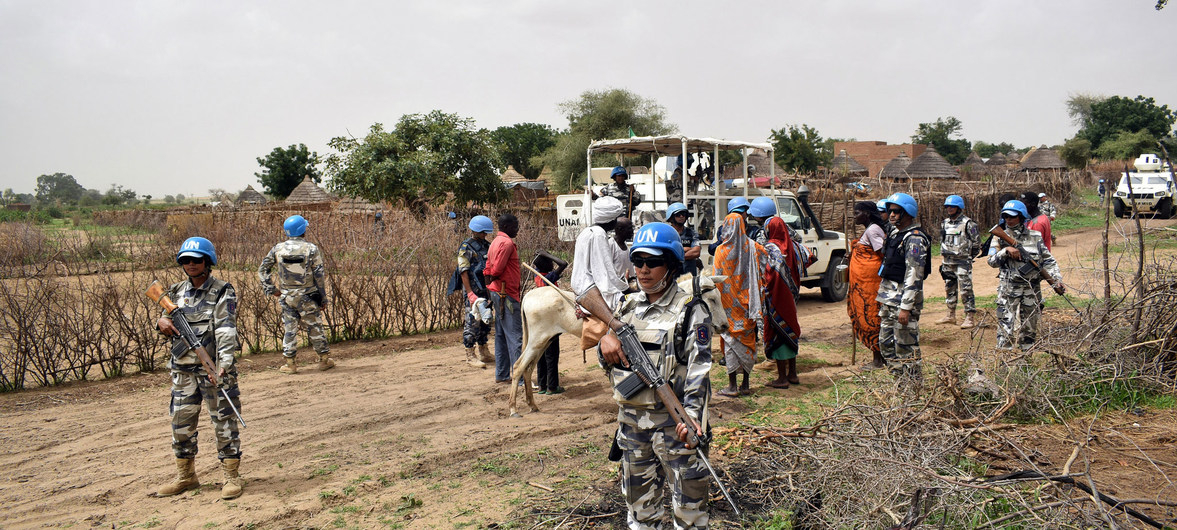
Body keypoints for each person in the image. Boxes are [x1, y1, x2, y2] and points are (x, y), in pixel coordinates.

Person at [598, 222, 714, 529]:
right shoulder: (626, 307)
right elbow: (610, 361)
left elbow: (699, 373)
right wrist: (604, 344)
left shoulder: (691, 310)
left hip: (675, 428)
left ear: (672, 265)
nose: (643, 269)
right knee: (640, 514)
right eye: (638, 261)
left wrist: (691, 421)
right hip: (633, 429)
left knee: (690, 516)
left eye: (653, 262)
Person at [155, 237, 243, 500]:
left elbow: (227, 330)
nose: (190, 265)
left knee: (224, 423)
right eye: (185, 260)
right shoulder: (175, 291)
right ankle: (186, 476)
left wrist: (224, 365)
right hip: (182, 371)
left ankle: (231, 477)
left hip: (213, 369)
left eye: (196, 260)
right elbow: (165, 319)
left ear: (208, 261)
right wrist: (161, 321)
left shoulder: (222, 291)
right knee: (181, 424)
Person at [259, 215, 333, 374]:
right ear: (303, 230)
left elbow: (262, 270)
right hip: (308, 297)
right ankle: (324, 360)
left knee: (290, 329)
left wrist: (272, 289)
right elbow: (319, 275)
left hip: (286, 297)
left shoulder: (277, 249)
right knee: (314, 327)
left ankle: (290, 363)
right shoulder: (311, 249)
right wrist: (323, 298)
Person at [987, 200, 1065, 350]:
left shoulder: (1035, 236)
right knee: (1005, 329)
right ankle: (1004, 363)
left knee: (1029, 328)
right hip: (1009, 289)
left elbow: (1048, 260)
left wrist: (1057, 280)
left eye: (1013, 216)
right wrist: (1005, 251)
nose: (1009, 220)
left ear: (1022, 217)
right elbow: (991, 261)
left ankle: (1026, 362)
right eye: (1006, 216)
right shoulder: (999, 237)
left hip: (1031, 289)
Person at [877, 193, 930, 392]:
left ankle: (914, 391)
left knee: (906, 349)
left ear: (907, 213)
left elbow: (914, 275)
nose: (891, 215)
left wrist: (906, 308)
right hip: (889, 299)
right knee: (887, 345)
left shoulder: (915, 239)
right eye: (889, 210)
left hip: (903, 303)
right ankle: (901, 385)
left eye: (896, 211)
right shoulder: (895, 234)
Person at [713, 212, 769, 397]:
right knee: (747, 343)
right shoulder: (753, 247)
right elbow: (766, 260)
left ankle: (732, 386)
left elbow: (716, 279)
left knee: (730, 344)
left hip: (728, 307)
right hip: (748, 305)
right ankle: (745, 384)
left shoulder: (721, 251)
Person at [571, 196, 629, 353]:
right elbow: (603, 272)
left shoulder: (587, 231)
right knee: (625, 317)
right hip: (588, 288)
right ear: (611, 220)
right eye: (616, 219)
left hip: (580, 283)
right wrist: (625, 288)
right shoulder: (599, 235)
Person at [762, 216, 807, 388]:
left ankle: (782, 378)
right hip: (792, 296)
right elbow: (807, 260)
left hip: (776, 296)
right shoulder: (795, 246)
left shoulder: (770, 248)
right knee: (790, 328)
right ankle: (793, 374)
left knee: (777, 331)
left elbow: (769, 274)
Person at [447, 215, 496, 368]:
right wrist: (469, 293)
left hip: (485, 289)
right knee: (472, 320)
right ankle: (470, 354)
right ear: (476, 230)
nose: (485, 235)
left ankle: (483, 350)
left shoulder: (486, 246)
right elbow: (463, 271)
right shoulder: (466, 247)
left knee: (485, 320)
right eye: (483, 232)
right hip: (473, 290)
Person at [484, 213, 523, 383]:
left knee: (501, 335)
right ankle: (519, 378)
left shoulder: (495, 242)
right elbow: (497, 268)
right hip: (506, 293)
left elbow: (488, 267)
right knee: (515, 336)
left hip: (497, 292)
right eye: (515, 226)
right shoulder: (507, 243)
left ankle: (502, 374)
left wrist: (489, 280)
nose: (517, 229)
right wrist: (493, 277)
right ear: (507, 227)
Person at [848, 201, 888, 370]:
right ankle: (880, 357)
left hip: (868, 286)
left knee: (870, 317)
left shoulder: (872, 230)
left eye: (857, 213)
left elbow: (881, 253)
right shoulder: (870, 230)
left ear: (867, 213)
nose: (854, 216)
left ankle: (878, 360)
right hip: (863, 285)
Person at [936, 195, 981, 329]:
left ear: (959, 207)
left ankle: (970, 316)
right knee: (949, 288)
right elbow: (943, 240)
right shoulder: (945, 223)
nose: (949, 209)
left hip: (962, 262)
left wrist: (968, 257)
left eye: (952, 206)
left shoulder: (968, 223)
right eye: (947, 206)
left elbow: (976, 243)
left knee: (966, 289)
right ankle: (950, 314)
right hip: (948, 261)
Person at [532, 251, 569, 394]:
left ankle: (542, 385)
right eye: (550, 262)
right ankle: (552, 386)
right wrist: (547, 254)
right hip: (551, 319)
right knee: (551, 354)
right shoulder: (548, 277)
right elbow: (563, 264)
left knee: (541, 352)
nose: (553, 265)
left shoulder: (537, 275)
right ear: (546, 264)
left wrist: (543, 257)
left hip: (540, 318)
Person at [665, 202, 703, 276]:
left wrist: (677, 255)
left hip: (689, 276)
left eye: (684, 214)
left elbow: (696, 252)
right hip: (671, 276)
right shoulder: (666, 233)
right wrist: (686, 249)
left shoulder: (692, 233)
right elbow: (666, 254)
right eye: (678, 214)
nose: (682, 216)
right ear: (671, 217)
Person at [612, 216, 636, 286]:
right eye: (629, 228)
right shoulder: (611, 245)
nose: (632, 231)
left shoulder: (625, 244)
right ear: (620, 230)